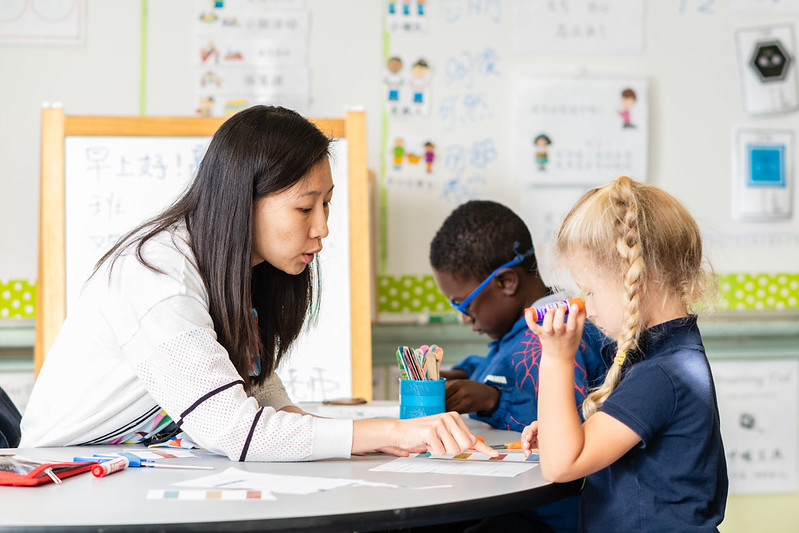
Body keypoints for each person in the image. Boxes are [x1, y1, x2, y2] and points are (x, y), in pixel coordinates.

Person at [20, 105, 495, 462]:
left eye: (327, 205)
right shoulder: (157, 274)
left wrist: (380, 440)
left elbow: (271, 410)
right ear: (243, 200)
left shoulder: (240, 272)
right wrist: (389, 432)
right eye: (305, 207)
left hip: (126, 469)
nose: (323, 227)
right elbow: (237, 431)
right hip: (62, 477)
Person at [521, 176, 728, 532]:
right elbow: (602, 447)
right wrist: (563, 432)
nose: (588, 305)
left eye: (590, 290)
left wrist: (556, 357)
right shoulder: (671, 357)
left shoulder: (663, 374)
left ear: (635, 278)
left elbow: (561, 466)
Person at [429, 200, 607, 533]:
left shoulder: (555, 336)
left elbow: (574, 425)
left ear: (506, 282)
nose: (464, 317)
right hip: (520, 504)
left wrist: (495, 401)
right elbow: (501, 366)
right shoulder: (521, 332)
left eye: (463, 303)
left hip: (549, 516)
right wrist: (464, 372)